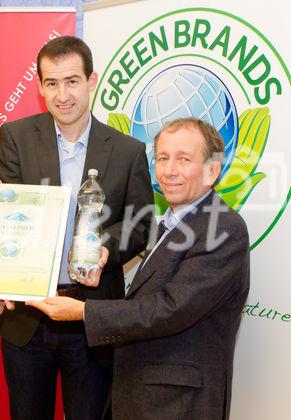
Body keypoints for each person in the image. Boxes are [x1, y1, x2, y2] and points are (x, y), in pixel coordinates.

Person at [0, 35, 154, 420]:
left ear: (92, 81)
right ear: (39, 87)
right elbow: (3, 220)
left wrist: (105, 247)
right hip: (26, 314)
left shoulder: (127, 150)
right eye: (51, 83)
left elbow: (142, 224)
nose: (62, 95)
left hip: (91, 315)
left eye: (72, 81)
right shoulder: (17, 138)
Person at [28, 117, 251, 420]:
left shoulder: (223, 228)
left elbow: (170, 310)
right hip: (144, 396)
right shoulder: (173, 224)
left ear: (212, 170)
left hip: (179, 403)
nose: (169, 170)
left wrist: (82, 312)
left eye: (184, 159)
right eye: (162, 158)